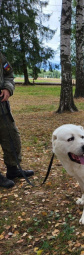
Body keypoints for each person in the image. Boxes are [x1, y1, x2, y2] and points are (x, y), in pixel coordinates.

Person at [0, 51, 34, 188]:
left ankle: (13, 169)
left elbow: (9, 75)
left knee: (11, 138)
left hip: (2, 108)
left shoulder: (1, 57)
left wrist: (7, 89)